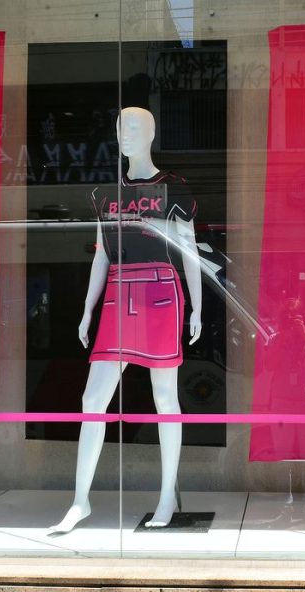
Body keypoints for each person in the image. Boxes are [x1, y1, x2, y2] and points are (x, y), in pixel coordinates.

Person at [50, 107, 203, 533]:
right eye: (119, 127)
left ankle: (166, 496)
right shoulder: (105, 193)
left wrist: (197, 307)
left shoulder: (173, 188)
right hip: (119, 292)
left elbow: (189, 250)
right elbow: (101, 253)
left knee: (165, 399)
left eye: (134, 127)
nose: (124, 134)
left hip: (158, 289)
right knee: (92, 399)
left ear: (152, 133)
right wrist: (86, 308)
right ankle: (80, 500)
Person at [264, 297, 305, 518]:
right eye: (288, 318)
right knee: (283, 458)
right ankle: (285, 508)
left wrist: (303, 333)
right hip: (281, 402)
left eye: (295, 318)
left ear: (303, 318)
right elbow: (268, 365)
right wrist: (283, 337)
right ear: (282, 319)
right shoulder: (274, 338)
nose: (291, 322)